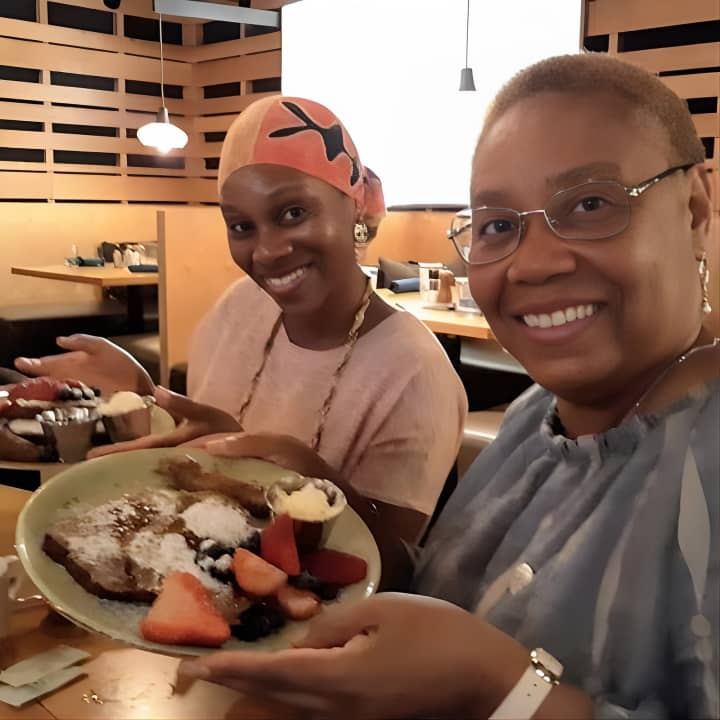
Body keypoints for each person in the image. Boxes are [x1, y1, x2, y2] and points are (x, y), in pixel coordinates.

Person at [176, 53, 719, 720]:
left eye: (589, 204)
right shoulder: (534, 419)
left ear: (695, 210)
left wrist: (500, 689)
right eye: (498, 225)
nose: (533, 264)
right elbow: (432, 597)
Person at [15, 96, 467, 557]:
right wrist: (142, 393)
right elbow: (198, 456)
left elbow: (395, 568)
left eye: (293, 213)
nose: (266, 252)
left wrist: (309, 476)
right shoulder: (239, 308)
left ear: (354, 204)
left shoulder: (416, 374)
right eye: (241, 226)